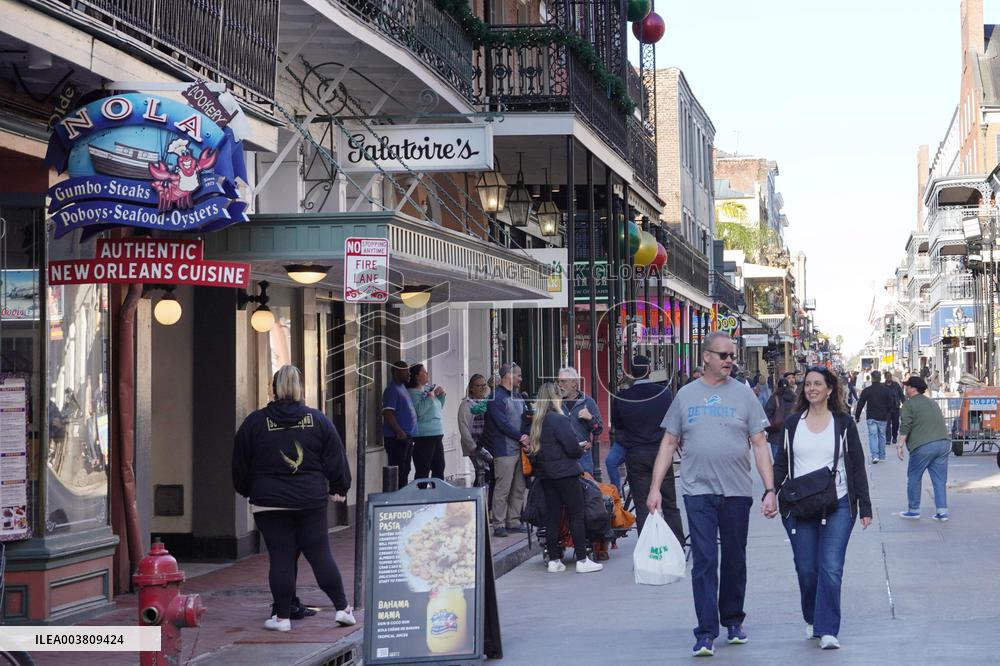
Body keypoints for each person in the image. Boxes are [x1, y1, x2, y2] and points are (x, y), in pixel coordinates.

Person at [647, 332, 777, 657]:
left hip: (736, 492)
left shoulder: (745, 396)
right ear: (706, 357)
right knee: (704, 561)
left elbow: (760, 444)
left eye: (732, 356)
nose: (730, 361)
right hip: (697, 491)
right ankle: (706, 631)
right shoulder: (686, 395)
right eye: (723, 355)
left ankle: (733, 620)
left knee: (735, 559)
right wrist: (654, 489)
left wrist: (770, 489)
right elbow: (668, 443)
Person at [232, 365, 355, 632]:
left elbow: (239, 462)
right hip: (309, 500)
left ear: (273, 388)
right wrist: (339, 487)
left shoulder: (255, 422)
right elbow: (335, 457)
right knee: (320, 553)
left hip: (269, 502)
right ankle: (342, 608)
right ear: (300, 388)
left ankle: (282, 618)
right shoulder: (317, 420)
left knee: (281, 557)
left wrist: (248, 489)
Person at [773, 367, 872, 650]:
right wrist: (771, 493)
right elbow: (781, 462)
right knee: (807, 569)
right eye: (807, 384)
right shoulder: (793, 423)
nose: (811, 388)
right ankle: (812, 617)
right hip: (800, 505)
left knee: (830, 567)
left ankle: (827, 628)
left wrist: (864, 506)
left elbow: (856, 466)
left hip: (837, 503)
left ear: (830, 389)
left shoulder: (843, 423)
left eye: (818, 384)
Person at [529, 382, 604, 574]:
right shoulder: (558, 420)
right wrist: (580, 448)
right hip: (565, 473)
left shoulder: (538, 421)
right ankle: (581, 559)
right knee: (576, 515)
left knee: (552, 517)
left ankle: (554, 560)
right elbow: (571, 448)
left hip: (546, 475)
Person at [612, 355, 683, 543]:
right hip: (661, 451)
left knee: (643, 504)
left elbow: (617, 426)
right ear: (649, 370)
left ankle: (648, 546)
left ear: (631, 372)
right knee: (669, 502)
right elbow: (673, 421)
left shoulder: (623, 397)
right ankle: (678, 542)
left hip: (636, 452)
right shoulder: (664, 394)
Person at [482, 362, 529, 537]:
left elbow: (524, 419)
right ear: (508, 376)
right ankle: (499, 523)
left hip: (519, 448)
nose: (520, 379)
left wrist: (527, 434)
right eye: (518, 375)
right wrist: (521, 437)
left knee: (518, 487)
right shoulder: (495, 398)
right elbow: (502, 424)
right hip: (504, 450)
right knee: (502, 488)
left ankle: (514, 520)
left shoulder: (518, 397)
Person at [896, 376, 951, 521]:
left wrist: (900, 445)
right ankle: (942, 511)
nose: (905, 388)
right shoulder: (932, 402)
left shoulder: (909, 404)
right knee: (939, 479)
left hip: (923, 446)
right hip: (943, 443)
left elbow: (905, 425)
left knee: (914, 477)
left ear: (913, 389)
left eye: (907, 386)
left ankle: (913, 510)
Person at [557, 367, 603, 475]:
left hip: (583, 456)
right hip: (562, 455)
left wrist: (590, 418)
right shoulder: (555, 402)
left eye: (563, 381)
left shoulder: (588, 401)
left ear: (574, 383)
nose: (559, 385)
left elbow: (598, 429)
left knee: (585, 489)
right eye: (558, 381)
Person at [407, 363, 446, 479]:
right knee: (423, 470)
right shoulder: (412, 393)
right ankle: (420, 495)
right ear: (416, 376)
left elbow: (437, 408)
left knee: (439, 468)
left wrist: (441, 396)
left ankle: (437, 495)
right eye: (424, 372)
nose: (427, 374)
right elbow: (419, 411)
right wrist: (430, 398)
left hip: (437, 434)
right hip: (424, 436)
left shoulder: (427, 390)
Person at [382, 360, 417, 485]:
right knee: (399, 471)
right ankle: (397, 499)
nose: (409, 374)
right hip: (396, 439)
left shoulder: (402, 388)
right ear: (396, 372)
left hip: (406, 437)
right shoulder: (391, 390)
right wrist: (400, 433)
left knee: (405, 470)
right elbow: (388, 413)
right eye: (405, 371)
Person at [458, 374, 493, 488]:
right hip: (475, 445)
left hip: (487, 443)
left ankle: (484, 500)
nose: (483, 388)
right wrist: (472, 446)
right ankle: (479, 501)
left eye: (484, 385)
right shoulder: (466, 404)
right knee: (482, 472)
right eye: (479, 386)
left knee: (487, 474)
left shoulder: (488, 402)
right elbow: (463, 428)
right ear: (472, 388)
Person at [853, 370, 895, 463]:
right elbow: (891, 404)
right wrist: (887, 412)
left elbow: (861, 403)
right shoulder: (886, 390)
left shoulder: (867, 390)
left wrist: (857, 416)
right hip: (882, 417)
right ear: (880, 378)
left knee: (872, 436)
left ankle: (875, 456)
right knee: (882, 436)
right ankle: (882, 456)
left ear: (872, 378)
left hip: (871, 417)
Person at [764, 378, 797, 460]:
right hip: (792, 435)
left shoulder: (774, 398)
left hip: (776, 435)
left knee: (778, 463)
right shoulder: (795, 398)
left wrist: (770, 426)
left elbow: (766, 415)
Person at [883, 370, 905, 445]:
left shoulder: (896, 385)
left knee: (896, 424)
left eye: (890, 376)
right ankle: (888, 439)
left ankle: (894, 437)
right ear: (885, 377)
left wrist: (904, 404)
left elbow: (901, 395)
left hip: (895, 408)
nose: (889, 377)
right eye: (887, 376)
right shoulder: (882, 386)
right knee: (887, 424)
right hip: (886, 409)